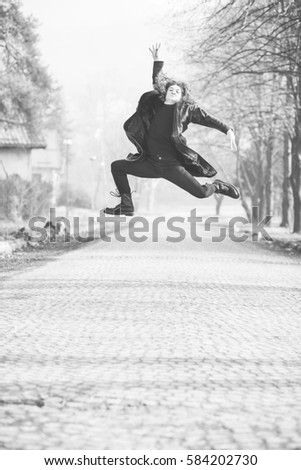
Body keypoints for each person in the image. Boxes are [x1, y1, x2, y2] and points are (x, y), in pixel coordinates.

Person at [104, 44, 239, 216]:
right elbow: (157, 81)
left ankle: (218, 186)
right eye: (171, 89)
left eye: (178, 91)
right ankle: (126, 205)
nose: (174, 91)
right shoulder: (156, 104)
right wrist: (157, 61)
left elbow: (207, 118)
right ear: (165, 93)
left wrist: (227, 130)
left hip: (171, 166)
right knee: (117, 167)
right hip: (150, 163)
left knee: (202, 193)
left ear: (182, 96)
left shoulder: (187, 110)